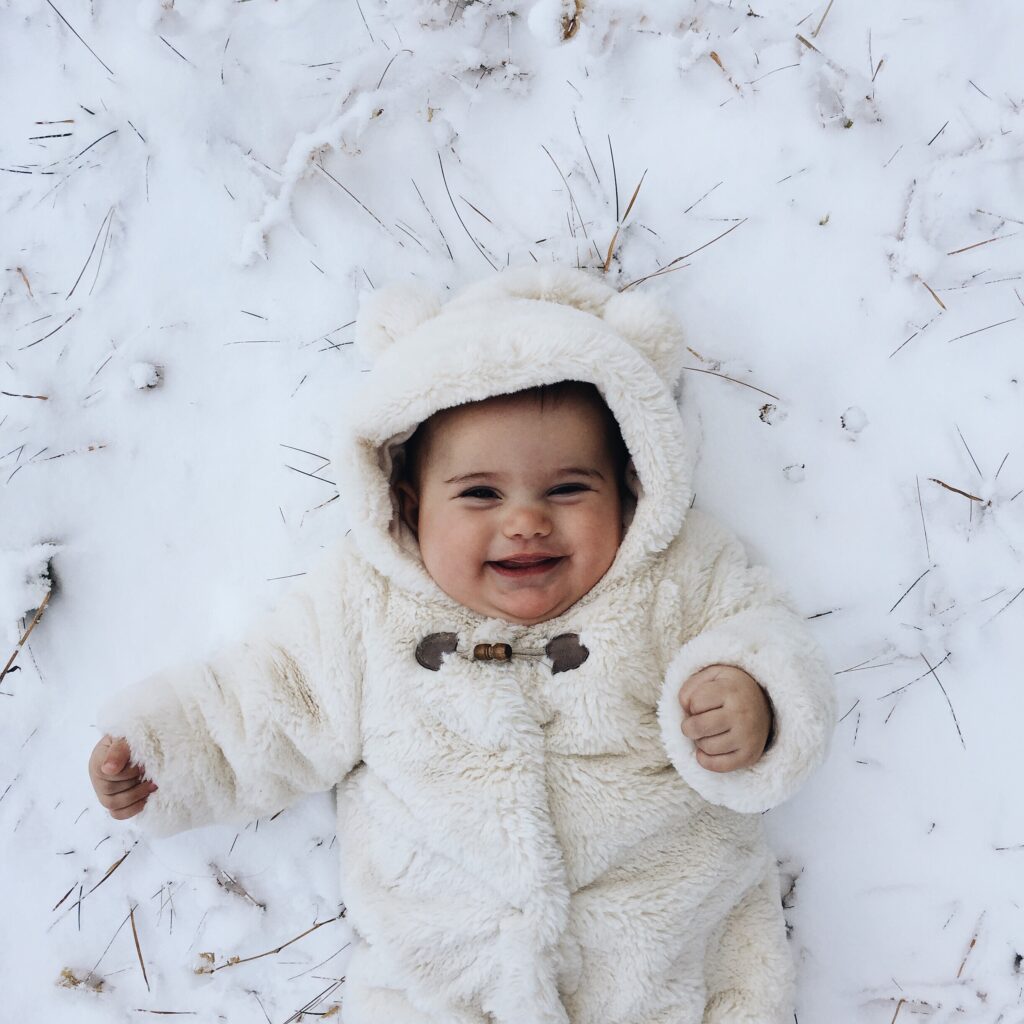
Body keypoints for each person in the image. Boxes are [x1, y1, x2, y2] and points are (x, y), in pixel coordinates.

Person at [88, 266, 836, 1024]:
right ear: (409, 504)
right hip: (440, 987)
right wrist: (166, 753)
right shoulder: (365, 603)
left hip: (670, 964)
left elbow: (767, 634)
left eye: (569, 489)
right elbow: (272, 698)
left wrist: (756, 698)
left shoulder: (678, 577)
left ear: (631, 489)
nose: (525, 522)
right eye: (480, 493)